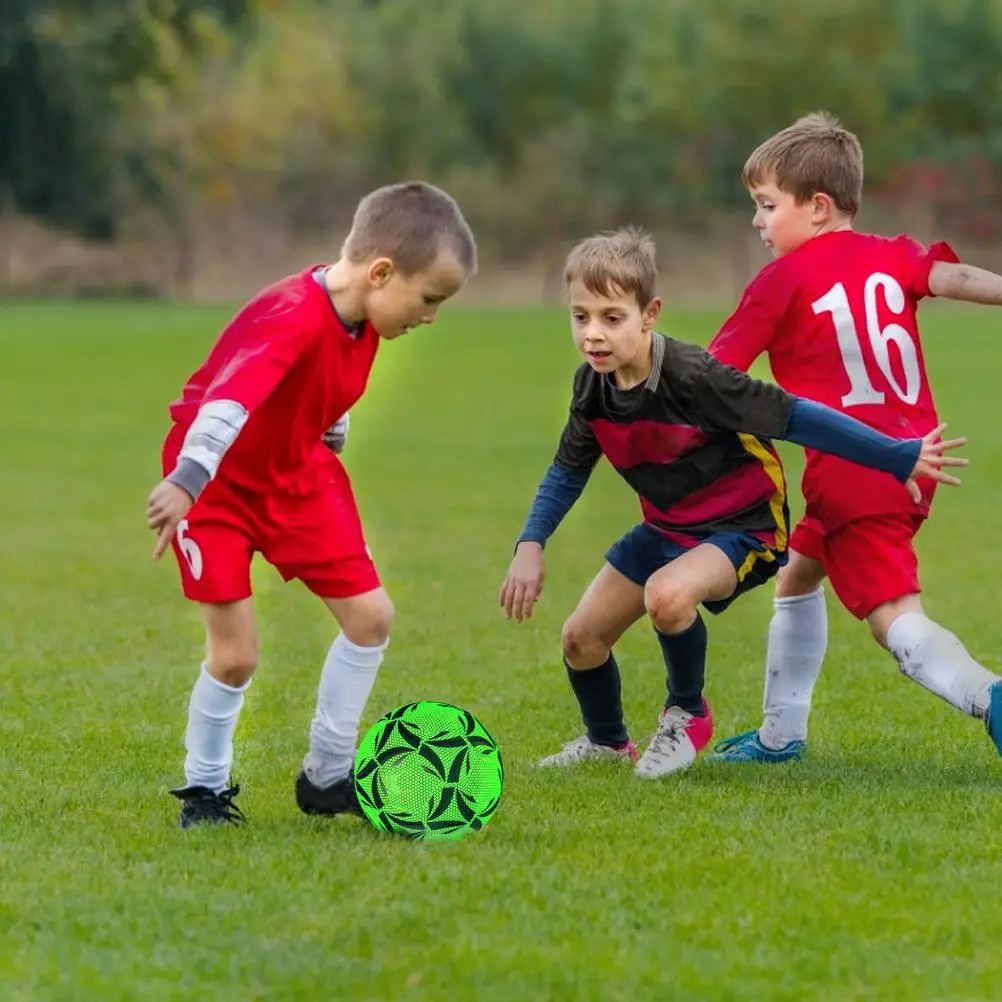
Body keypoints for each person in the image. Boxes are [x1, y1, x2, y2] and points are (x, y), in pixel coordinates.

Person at [498, 227, 966, 779]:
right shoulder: (591, 388)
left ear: (650, 314)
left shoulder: (694, 377)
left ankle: (687, 714)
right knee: (581, 639)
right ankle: (606, 742)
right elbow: (567, 470)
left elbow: (798, 417)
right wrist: (531, 543)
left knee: (667, 595)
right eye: (581, 317)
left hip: (744, 527)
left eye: (611, 317)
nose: (593, 335)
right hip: (669, 527)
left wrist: (895, 454)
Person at [146, 181, 477, 827]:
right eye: (429, 298)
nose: (431, 315)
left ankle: (328, 775)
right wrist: (187, 480)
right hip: (217, 485)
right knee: (236, 655)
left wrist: (332, 428)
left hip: (298, 477)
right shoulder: (291, 312)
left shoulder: (364, 318)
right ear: (381, 272)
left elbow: (322, 388)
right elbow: (229, 400)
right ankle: (204, 792)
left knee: (370, 617)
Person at [704, 112, 1002, 764]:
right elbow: (951, 278)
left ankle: (991, 697)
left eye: (765, 205)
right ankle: (781, 736)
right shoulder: (891, 252)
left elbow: (715, 376)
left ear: (816, 207)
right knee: (800, 571)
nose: (757, 221)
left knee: (893, 617)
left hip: (850, 468)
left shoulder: (782, 280)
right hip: (916, 458)